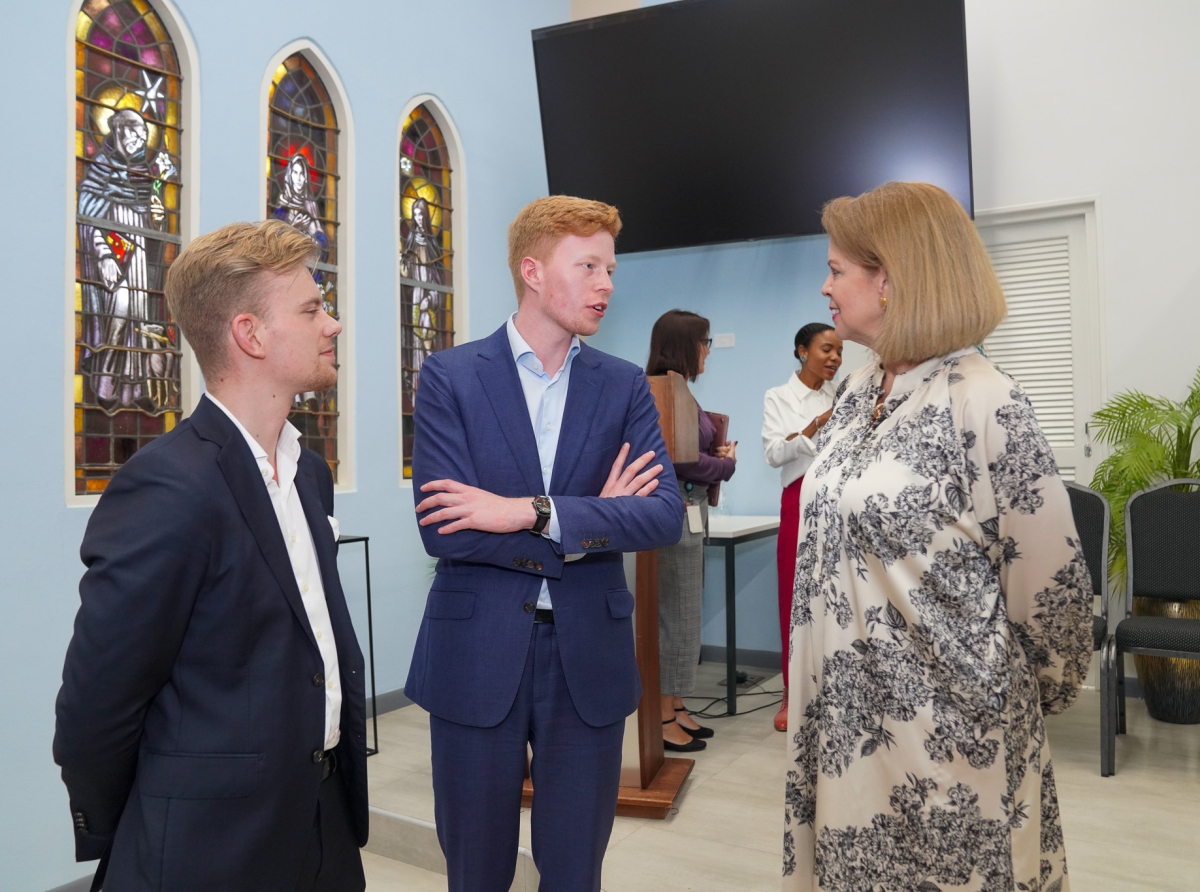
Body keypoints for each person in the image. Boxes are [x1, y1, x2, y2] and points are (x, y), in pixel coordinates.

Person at [782, 182, 1092, 892]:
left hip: (950, 739)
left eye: (836, 270)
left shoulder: (986, 400)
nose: (824, 286)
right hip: (847, 735)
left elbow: (1054, 595)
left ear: (889, 279)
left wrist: (1006, 697)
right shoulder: (858, 392)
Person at [54, 220, 368, 892]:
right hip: (214, 848)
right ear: (250, 334)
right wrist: (150, 823)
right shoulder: (169, 485)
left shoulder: (308, 473)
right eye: (313, 309)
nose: (332, 326)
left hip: (322, 827)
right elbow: (98, 706)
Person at [405, 196, 683, 892]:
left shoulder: (621, 386)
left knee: (574, 871)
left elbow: (661, 518)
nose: (606, 285)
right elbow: (443, 526)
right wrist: (591, 519)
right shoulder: (451, 376)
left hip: (587, 655)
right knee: (476, 870)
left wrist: (523, 512)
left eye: (610, 269)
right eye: (587, 266)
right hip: (475, 655)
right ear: (532, 270)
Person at [646, 310, 736, 752]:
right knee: (675, 615)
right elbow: (680, 459)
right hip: (676, 512)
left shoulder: (679, 391)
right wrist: (726, 464)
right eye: (705, 342)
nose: (707, 352)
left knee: (685, 614)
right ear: (685, 345)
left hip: (690, 510)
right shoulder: (664, 389)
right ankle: (661, 714)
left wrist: (715, 455)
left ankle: (676, 704)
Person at [761, 322, 842, 732]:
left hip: (839, 502)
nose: (835, 359)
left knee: (834, 597)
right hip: (798, 498)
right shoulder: (779, 397)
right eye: (826, 349)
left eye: (839, 352)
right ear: (801, 351)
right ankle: (791, 695)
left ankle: (833, 692)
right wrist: (816, 425)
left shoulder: (842, 395)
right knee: (793, 597)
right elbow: (775, 453)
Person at [77, 108, 177, 409]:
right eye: (135, 134)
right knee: (119, 308)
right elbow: (88, 215)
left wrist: (159, 221)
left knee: (137, 315)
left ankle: (133, 392)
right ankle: (104, 383)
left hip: (138, 257)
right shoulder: (100, 168)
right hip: (108, 252)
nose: (139, 141)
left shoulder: (145, 176)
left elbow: (154, 227)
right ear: (119, 132)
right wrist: (104, 255)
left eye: (144, 136)